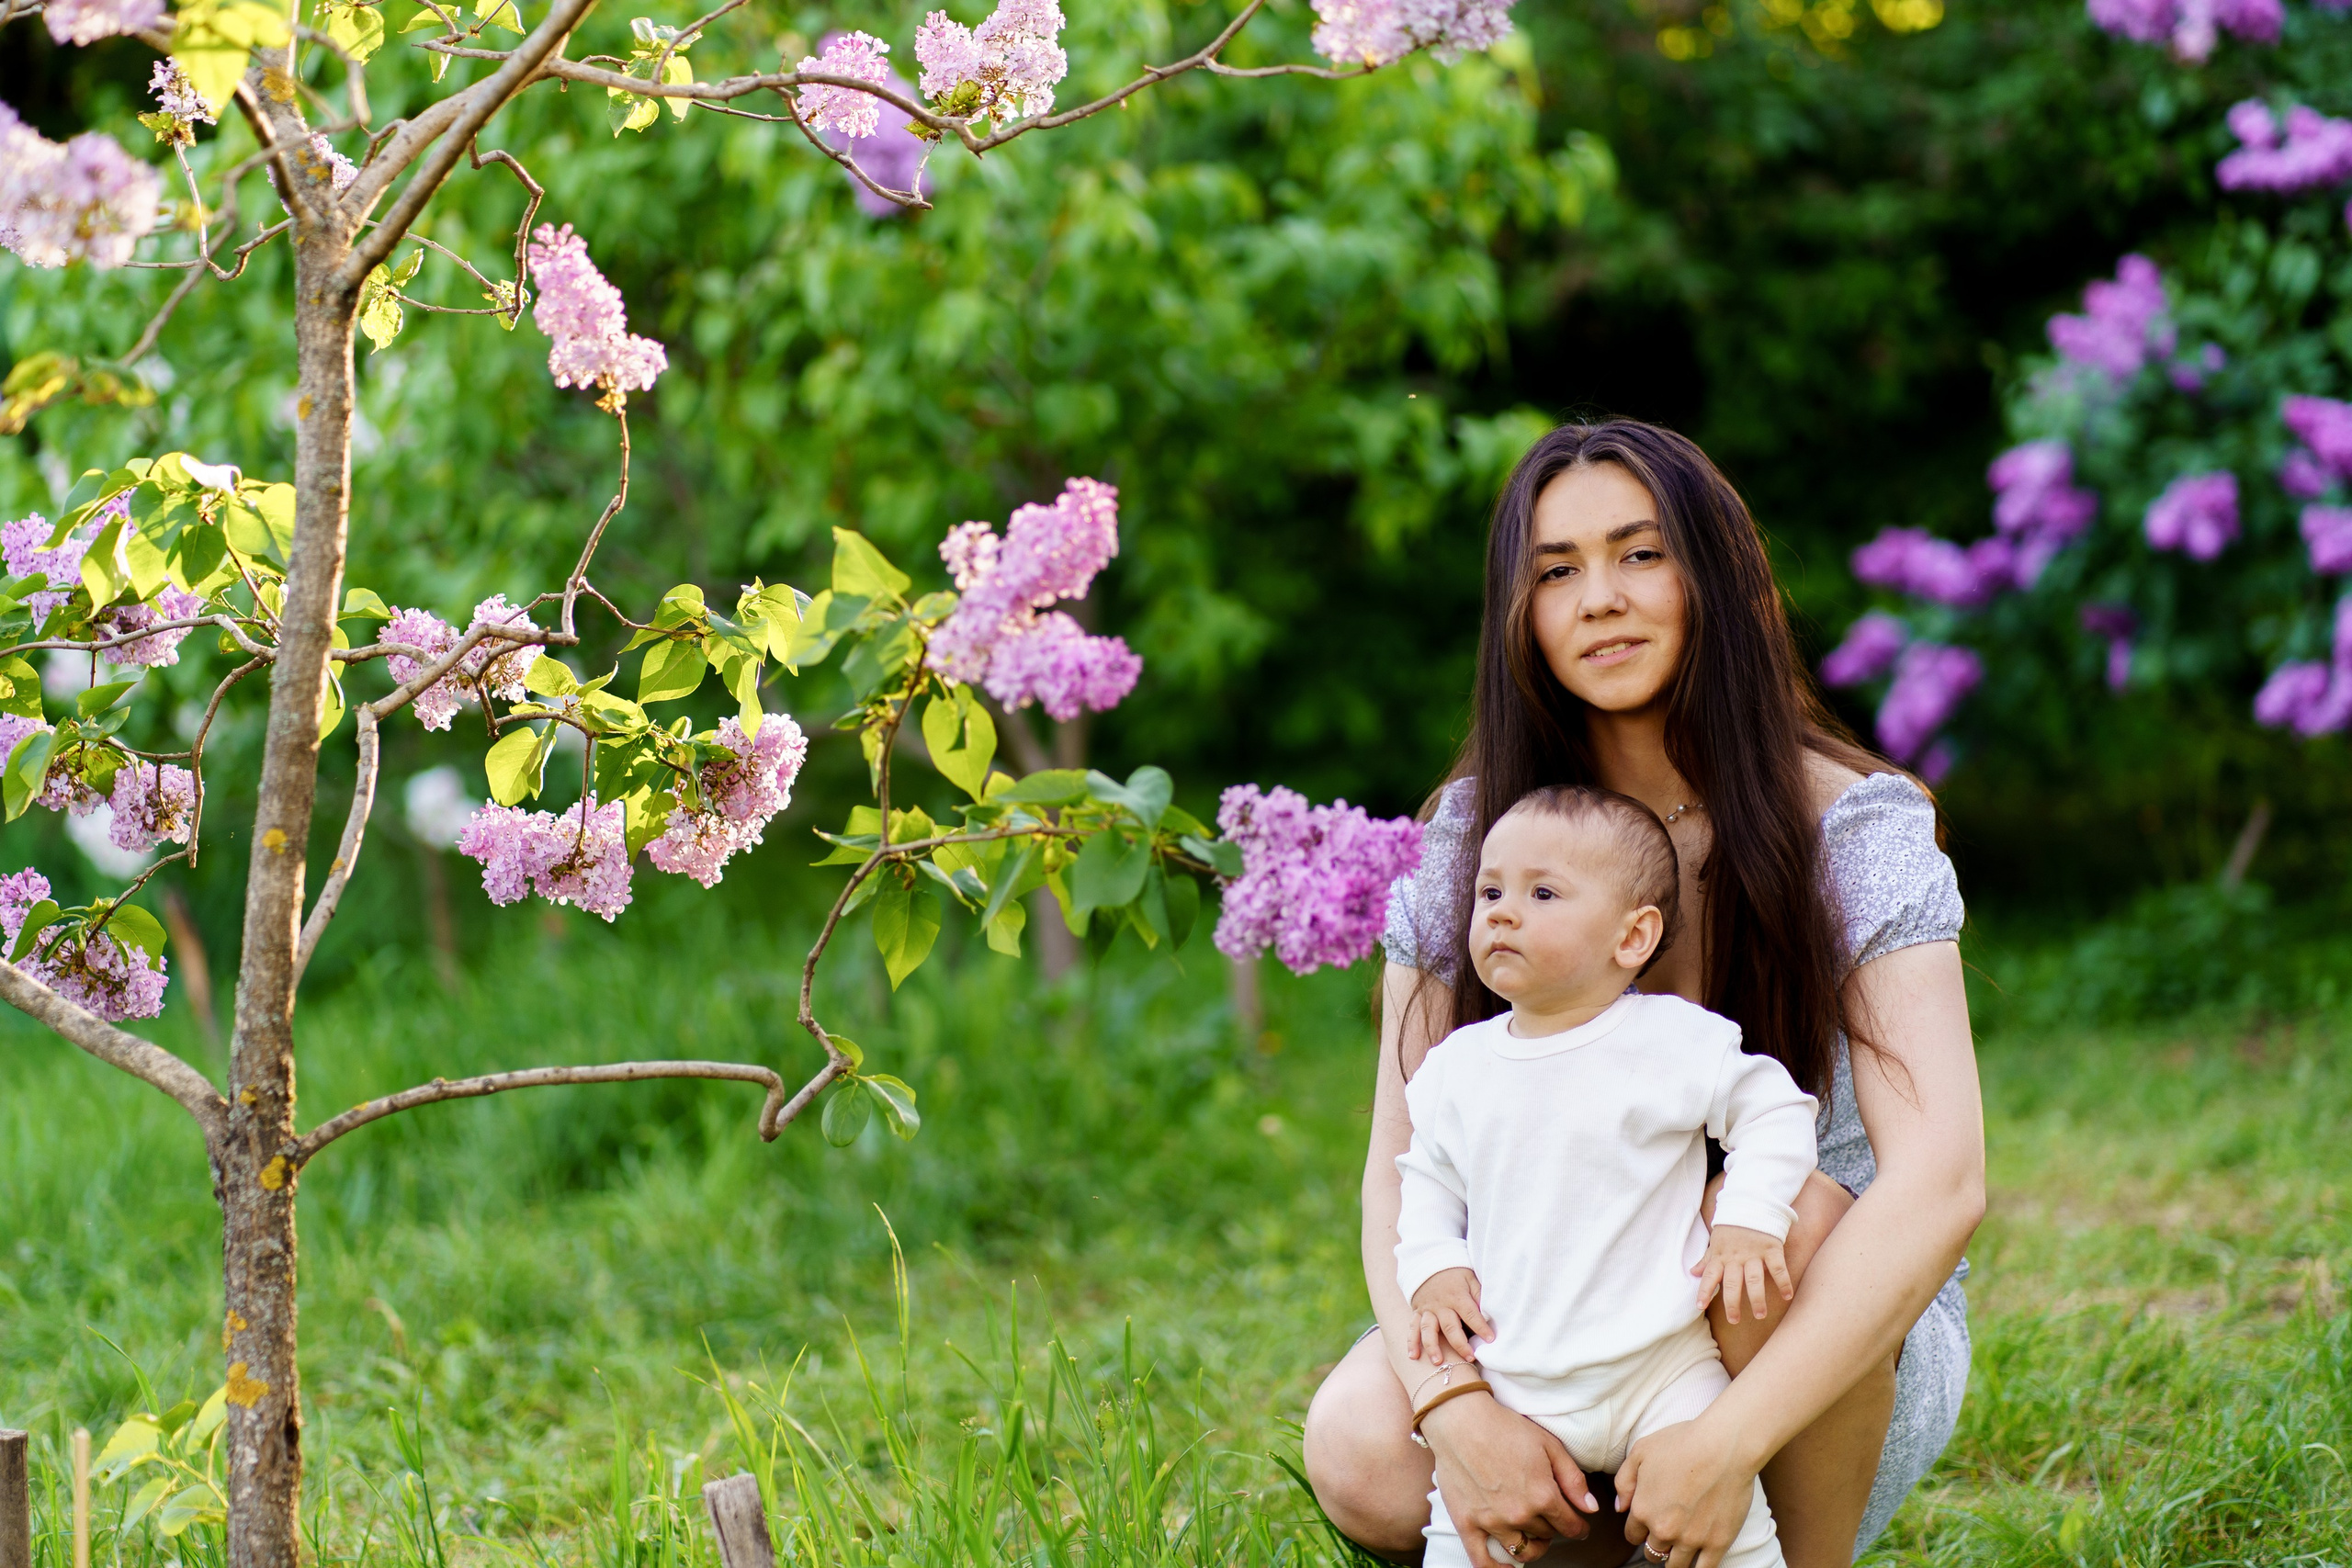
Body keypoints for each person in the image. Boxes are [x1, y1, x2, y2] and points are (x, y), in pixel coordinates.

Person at [1301, 419, 1986, 1568]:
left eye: (1640, 554)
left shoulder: (1849, 827)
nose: (1599, 599)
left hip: (1810, 1337)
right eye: (1556, 571)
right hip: (1557, 1315)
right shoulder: (1472, 842)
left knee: (1795, 1213)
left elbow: (1940, 1182)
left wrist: (1725, 1440)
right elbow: (1398, 1169)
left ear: (1713, 574)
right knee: (1361, 1446)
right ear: (1519, 614)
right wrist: (1455, 1412)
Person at [1396, 784, 1817, 1568]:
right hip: (1515, 1376)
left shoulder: (1671, 1039)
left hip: (1665, 1365)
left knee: (1736, 1541)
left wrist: (1748, 1216)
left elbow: (1775, 1108)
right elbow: (1423, 1182)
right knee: (1465, 1544)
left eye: (1542, 892)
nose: (1502, 911)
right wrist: (1436, 1268)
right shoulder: (1458, 1068)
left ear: (1634, 935)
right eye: (1490, 890)